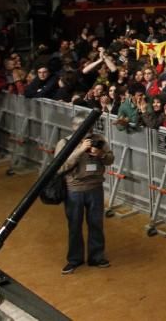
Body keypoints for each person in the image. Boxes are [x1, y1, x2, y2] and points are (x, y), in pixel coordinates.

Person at [55, 116, 114, 274]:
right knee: (74, 225)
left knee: (96, 224)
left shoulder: (99, 140)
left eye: (90, 128)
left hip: (95, 187)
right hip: (74, 190)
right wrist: (80, 151)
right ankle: (74, 259)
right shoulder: (65, 143)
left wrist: (101, 154)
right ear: (75, 128)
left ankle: (97, 257)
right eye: (84, 128)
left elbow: (110, 159)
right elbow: (59, 167)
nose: (89, 132)